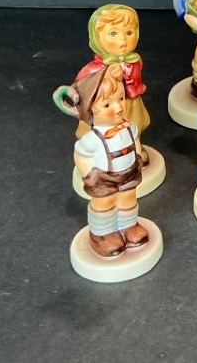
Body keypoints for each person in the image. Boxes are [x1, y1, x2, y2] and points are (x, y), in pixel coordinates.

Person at [54, 64, 148, 257]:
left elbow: (136, 141)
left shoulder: (129, 127)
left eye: (121, 98)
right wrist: (90, 174)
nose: (119, 107)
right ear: (90, 110)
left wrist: (137, 157)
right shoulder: (93, 139)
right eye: (107, 105)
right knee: (105, 203)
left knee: (128, 197)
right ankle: (102, 234)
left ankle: (129, 226)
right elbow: (80, 155)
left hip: (129, 171)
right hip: (104, 177)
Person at [74, 5, 151, 161]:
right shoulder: (93, 70)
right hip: (106, 107)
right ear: (97, 37)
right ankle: (105, 155)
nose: (123, 40)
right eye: (113, 34)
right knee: (108, 130)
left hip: (131, 102)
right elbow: (81, 90)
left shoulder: (135, 61)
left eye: (129, 33)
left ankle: (134, 149)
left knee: (134, 125)